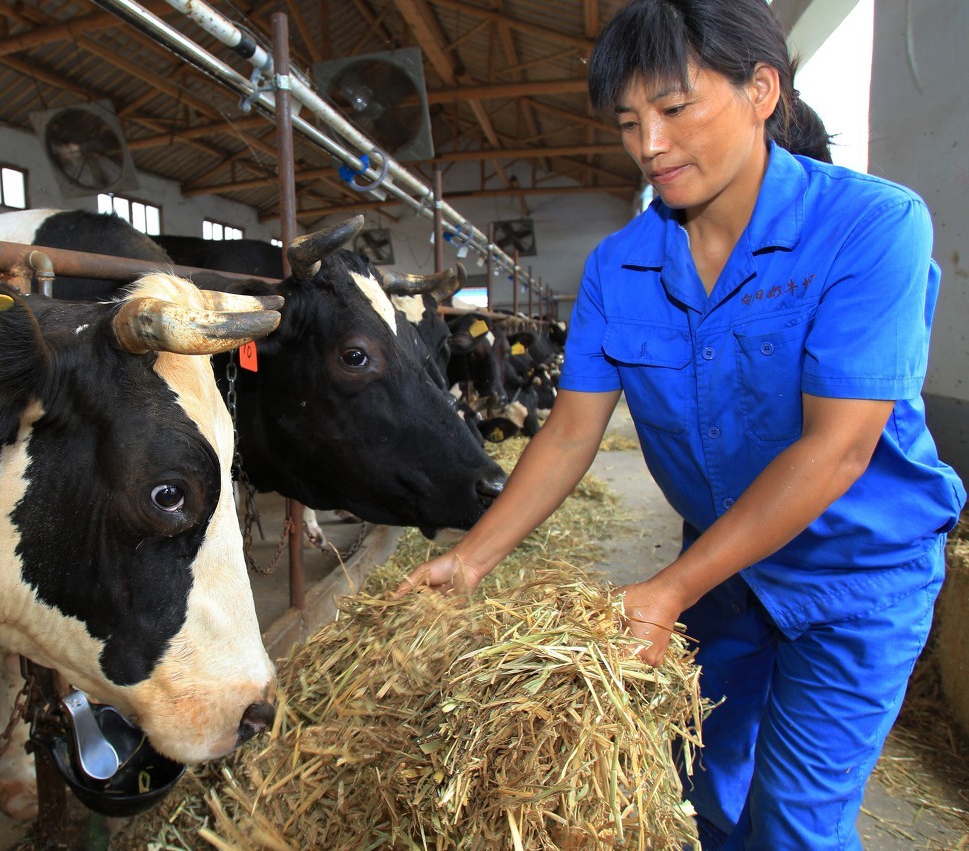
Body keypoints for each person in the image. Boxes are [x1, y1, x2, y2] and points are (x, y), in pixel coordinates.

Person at [392, 0, 966, 848]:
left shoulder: (871, 225)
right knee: (701, 782)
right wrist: (472, 558)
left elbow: (839, 449)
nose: (649, 145)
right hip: (726, 572)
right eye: (628, 121)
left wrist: (669, 590)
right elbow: (568, 433)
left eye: (674, 108)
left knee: (795, 823)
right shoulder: (619, 265)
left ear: (761, 89)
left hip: (853, 573)